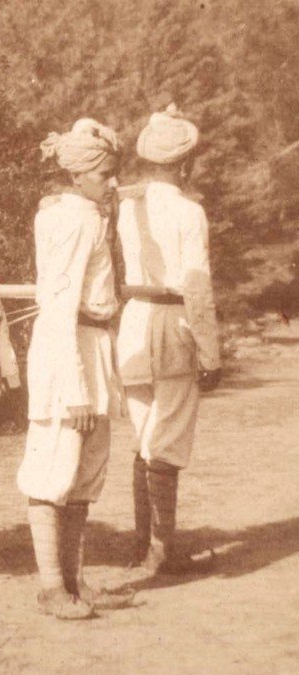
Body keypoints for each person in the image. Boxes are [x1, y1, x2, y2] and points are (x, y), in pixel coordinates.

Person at [17, 118, 134, 619]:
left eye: (114, 172)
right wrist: (75, 389)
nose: (113, 182)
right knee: (54, 469)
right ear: (80, 175)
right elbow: (60, 305)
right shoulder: (70, 219)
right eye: (106, 173)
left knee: (85, 474)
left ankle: (76, 580)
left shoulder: (87, 212)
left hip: (93, 345)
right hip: (66, 352)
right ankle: (50, 587)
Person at [116, 104, 221, 575]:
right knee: (169, 438)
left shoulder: (126, 206)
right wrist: (210, 352)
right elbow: (196, 287)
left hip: (135, 321)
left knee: (143, 437)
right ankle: (160, 550)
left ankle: (144, 546)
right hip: (174, 322)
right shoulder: (189, 211)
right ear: (184, 163)